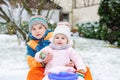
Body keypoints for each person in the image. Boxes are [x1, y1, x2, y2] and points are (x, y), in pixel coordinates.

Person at [26, 15, 75, 80]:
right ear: (30, 31)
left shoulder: (54, 36)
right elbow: (31, 63)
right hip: (44, 68)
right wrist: (43, 62)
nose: (37, 31)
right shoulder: (31, 44)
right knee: (32, 73)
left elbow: (68, 49)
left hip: (62, 64)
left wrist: (71, 62)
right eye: (33, 29)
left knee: (85, 70)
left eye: (40, 27)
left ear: (45, 28)